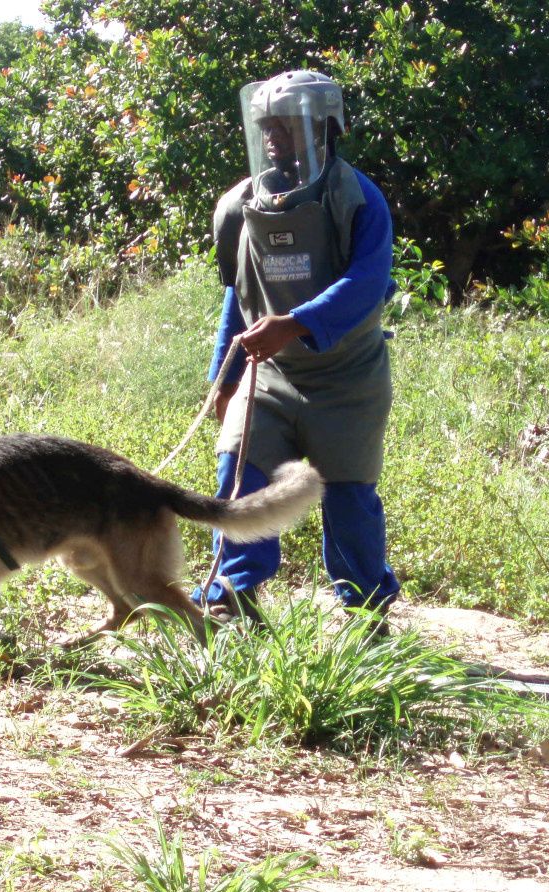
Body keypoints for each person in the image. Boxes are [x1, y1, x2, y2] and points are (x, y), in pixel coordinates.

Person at [195, 70, 400, 634]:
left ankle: (366, 613)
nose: (274, 138)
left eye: (287, 126)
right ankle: (232, 597)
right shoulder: (239, 206)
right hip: (270, 371)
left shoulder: (358, 198)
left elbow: (366, 284)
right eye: (267, 127)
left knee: (349, 500)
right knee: (238, 471)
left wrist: (296, 323)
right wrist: (225, 378)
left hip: (350, 379)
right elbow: (240, 297)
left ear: (326, 128)